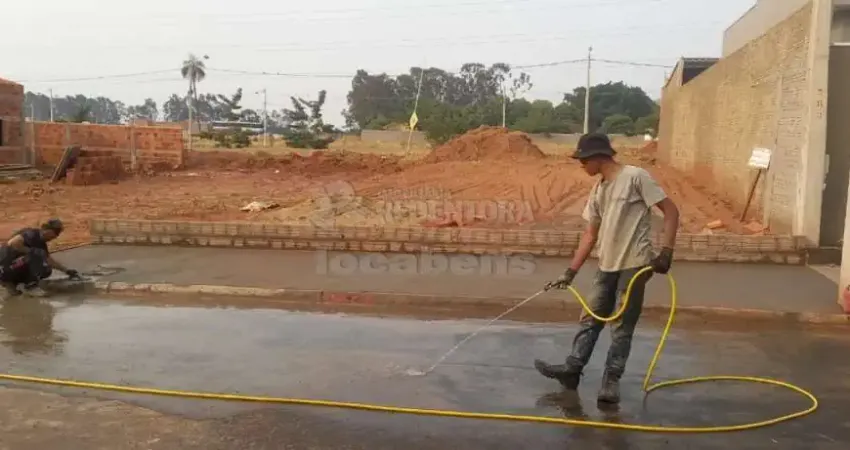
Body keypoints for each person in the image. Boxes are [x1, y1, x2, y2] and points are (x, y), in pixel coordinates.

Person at [535, 133, 680, 404]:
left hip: (634, 265)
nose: (581, 166)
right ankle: (572, 370)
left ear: (597, 157)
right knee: (590, 318)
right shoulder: (598, 190)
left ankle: (611, 382)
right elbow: (590, 235)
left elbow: (671, 211)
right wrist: (571, 271)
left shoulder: (635, 177)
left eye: (583, 161)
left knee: (621, 326)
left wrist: (666, 252)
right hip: (606, 266)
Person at [0, 219, 80, 298]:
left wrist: (66, 270)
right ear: (46, 229)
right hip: (5, 268)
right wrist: (32, 251)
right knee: (37, 255)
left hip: (9, 268)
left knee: (47, 270)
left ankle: (11, 283)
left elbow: (48, 260)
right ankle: (30, 286)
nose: (55, 236)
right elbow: (13, 243)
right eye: (56, 232)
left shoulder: (40, 242)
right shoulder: (31, 234)